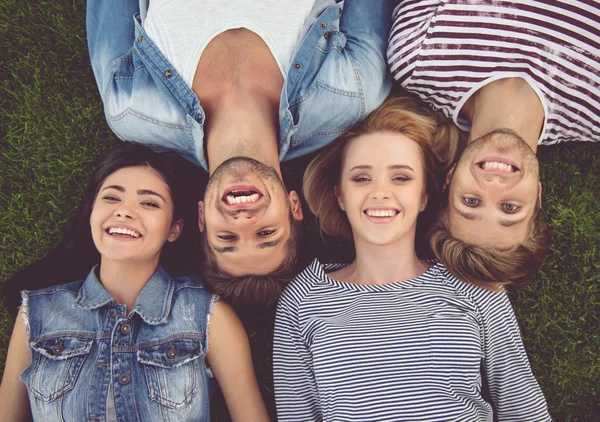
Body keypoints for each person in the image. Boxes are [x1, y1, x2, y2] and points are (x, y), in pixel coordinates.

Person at [86, 0, 394, 298]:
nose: (244, 220)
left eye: (226, 238)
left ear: (201, 217)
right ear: (294, 207)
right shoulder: (353, 92)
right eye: (266, 234)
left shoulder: (132, 110)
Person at [272, 97, 551, 421]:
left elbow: (521, 403)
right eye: (361, 178)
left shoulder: (473, 286)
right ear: (340, 195)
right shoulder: (302, 300)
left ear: (423, 196)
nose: (380, 192)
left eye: (401, 177)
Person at [0, 143, 269, 422]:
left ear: (174, 228)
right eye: (112, 198)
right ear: (92, 212)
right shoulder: (36, 314)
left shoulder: (208, 316)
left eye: (149, 202)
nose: (124, 211)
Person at [387, 0, 599, 287]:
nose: (494, 185)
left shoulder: (418, 59)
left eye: (471, 201)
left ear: (449, 180)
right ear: (537, 196)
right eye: (510, 208)